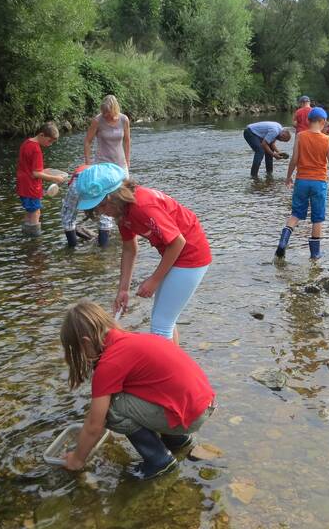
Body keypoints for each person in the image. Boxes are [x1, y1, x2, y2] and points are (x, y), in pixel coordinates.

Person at [60, 299, 216, 480]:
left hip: (190, 418)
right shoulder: (133, 339)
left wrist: (77, 460)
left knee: (111, 410)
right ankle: (177, 441)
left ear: (86, 342)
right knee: (140, 391)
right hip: (204, 404)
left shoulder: (110, 363)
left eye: (79, 351)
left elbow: (94, 425)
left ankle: (159, 460)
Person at [74, 164, 211, 345]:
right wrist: (123, 289)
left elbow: (178, 242)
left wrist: (154, 280)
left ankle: (166, 371)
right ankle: (176, 365)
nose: (100, 212)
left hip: (191, 254)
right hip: (175, 254)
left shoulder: (143, 206)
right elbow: (130, 248)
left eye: (101, 206)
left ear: (113, 196)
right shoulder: (122, 212)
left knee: (161, 326)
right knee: (164, 319)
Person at [275, 107, 329, 260]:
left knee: (296, 214)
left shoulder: (300, 136)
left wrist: (288, 177)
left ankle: (283, 242)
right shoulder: (327, 139)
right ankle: (315, 253)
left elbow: (294, 159)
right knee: (317, 218)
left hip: (302, 181)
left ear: (308, 121)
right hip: (319, 183)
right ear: (323, 122)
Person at [83, 95, 131, 247]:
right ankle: (104, 236)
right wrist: (88, 163)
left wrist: (128, 162)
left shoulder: (124, 120)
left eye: (108, 112)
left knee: (125, 200)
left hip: (120, 165)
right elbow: (87, 141)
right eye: (103, 112)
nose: (105, 115)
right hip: (103, 166)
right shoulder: (98, 120)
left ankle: (125, 230)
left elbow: (127, 140)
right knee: (106, 200)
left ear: (114, 109)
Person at [15, 122, 66, 237]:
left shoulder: (26, 143)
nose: (50, 144)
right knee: (35, 211)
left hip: (22, 185)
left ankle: (26, 236)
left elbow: (28, 168)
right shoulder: (36, 150)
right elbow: (36, 173)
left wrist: (45, 170)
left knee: (29, 211)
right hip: (31, 187)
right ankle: (34, 241)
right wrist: (55, 178)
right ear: (42, 135)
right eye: (49, 141)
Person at [60, 164, 93, 247]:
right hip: (101, 183)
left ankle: (72, 249)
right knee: (105, 219)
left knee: (68, 218)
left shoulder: (80, 170)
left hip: (78, 180)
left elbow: (73, 198)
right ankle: (103, 247)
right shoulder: (97, 169)